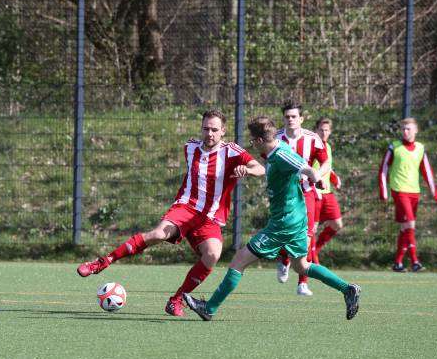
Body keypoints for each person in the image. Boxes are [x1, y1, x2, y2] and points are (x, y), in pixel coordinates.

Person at [76, 109, 265, 316]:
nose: (209, 133)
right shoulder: (190, 147)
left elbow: (260, 168)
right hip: (185, 207)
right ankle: (102, 263)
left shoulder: (232, 151)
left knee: (213, 254)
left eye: (214, 129)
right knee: (158, 234)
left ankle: (176, 300)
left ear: (223, 131)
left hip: (209, 218)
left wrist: (247, 170)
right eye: (206, 129)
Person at [182, 116, 361, 321]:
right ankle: (347, 289)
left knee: (239, 260)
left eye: (252, 140)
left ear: (260, 140)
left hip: (284, 223)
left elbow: (305, 167)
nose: (252, 144)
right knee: (301, 266)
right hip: (295, 219)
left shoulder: (281, 154)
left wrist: (316, 177)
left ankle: (209, 308)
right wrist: (248, 170)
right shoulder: (276, 149)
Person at [274, 101, 330, 296]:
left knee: (306, 238)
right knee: (284, 233)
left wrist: (318, 175)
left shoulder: (312, 139)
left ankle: (303, 283)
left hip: (306, 192)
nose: (290, 119)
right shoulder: (276, 139)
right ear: (283, 118)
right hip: (284, 195)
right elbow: (268, 162)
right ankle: (284, 259)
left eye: (294, 116)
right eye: (287, 116)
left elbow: (325, 162)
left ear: (301, 119)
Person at [378, 117, 437, 272]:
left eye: (408, 129)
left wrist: (434, 191)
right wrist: (384, 191)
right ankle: (415, 261)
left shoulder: (420, 148)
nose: (405, 132)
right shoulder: (394, 147)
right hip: (399, 190)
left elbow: (426, 170)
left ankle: (398, 263)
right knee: (410, 224)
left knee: (405, 227)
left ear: (416, 130)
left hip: (414, 192)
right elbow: (383, 169)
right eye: (403, 129)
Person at [311, 117, 343, 263]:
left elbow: (326, 166)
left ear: (330, 132)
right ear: (315, 131)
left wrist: (334, 178)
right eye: (321, 130)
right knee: (312, 229)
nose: (323, 133)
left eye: (326, 130)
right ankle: (313, 261)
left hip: (327, 193)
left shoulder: (328, 146)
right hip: (314, 192)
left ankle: (315, 250)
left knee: (337, 224)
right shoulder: (311, 145)